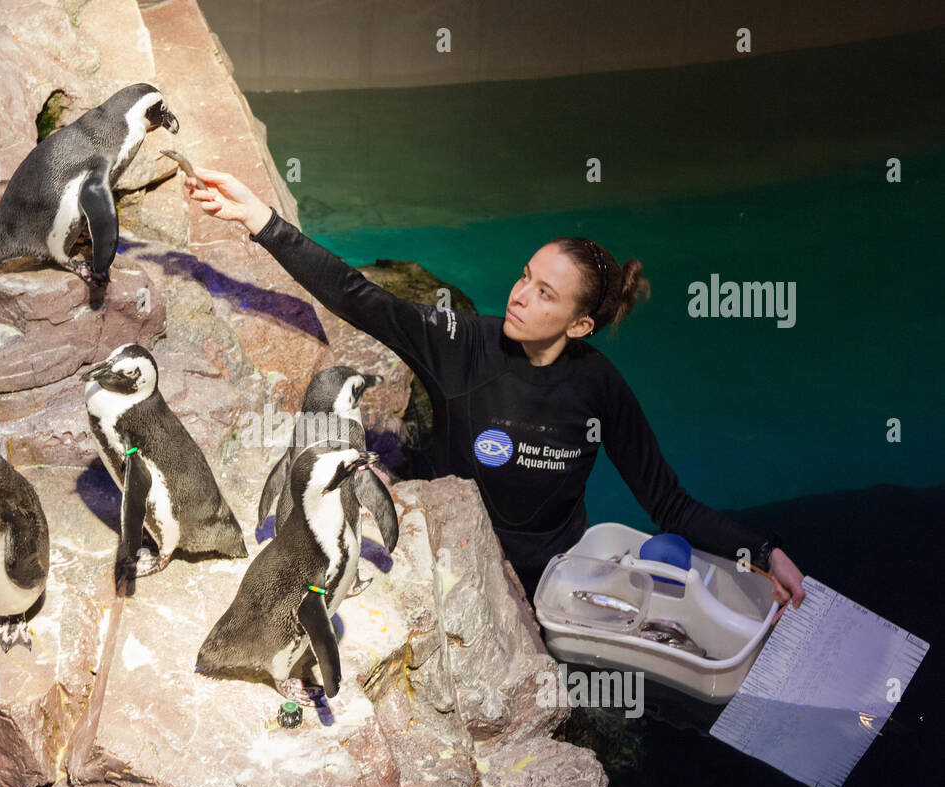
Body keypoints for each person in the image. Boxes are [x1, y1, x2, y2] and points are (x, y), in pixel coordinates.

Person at [184, 168, 806, 612]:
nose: (519, 295)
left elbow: (668, 504)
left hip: (551, 577)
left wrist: (764, 550)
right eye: (525, 276)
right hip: (458, 557)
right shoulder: (462, 342)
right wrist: (261, 220)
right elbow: (359, 297)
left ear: (581, 325)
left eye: (545, 294)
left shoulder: (599, 387)